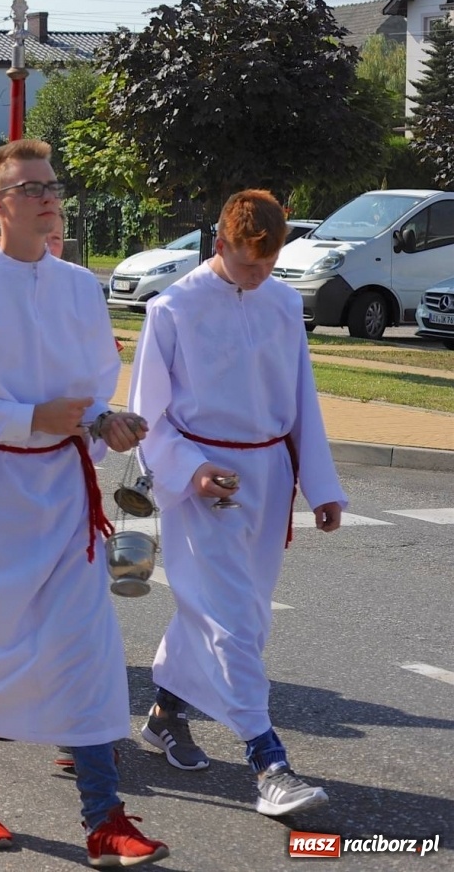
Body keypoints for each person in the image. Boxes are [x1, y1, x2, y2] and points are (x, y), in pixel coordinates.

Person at [0, 139, 169, 865]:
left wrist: (104, 422)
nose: (47, 197)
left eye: (51, 185)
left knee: (87, 651)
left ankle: (105, 816)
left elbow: (92, 387)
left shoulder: (79, 286)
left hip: (64, 492)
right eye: (29, 188)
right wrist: (31, 419)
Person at [130, 189, 344, 817]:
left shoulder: (281, 302)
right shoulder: (172, 308)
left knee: (239, 610)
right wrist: (191, 471)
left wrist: (321, 485)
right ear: (219, 244)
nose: (259, 277)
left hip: (271, 475)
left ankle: (166, 713)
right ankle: (268, 762)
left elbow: (302, 397)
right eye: (249, 264)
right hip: (203, 480)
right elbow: (147, 415)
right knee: (231, 620)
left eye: (269, 264)